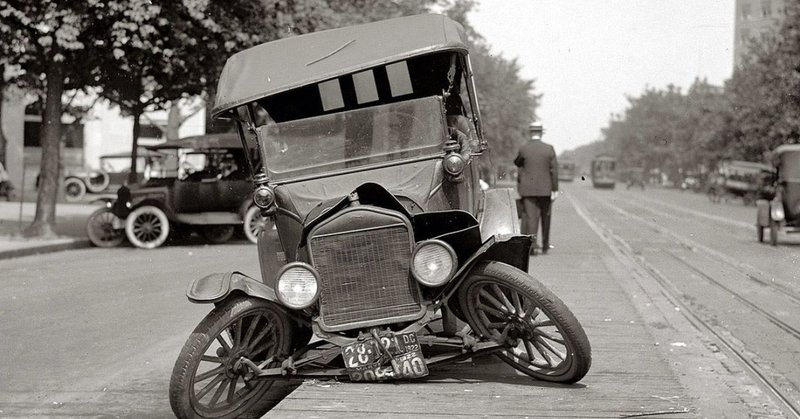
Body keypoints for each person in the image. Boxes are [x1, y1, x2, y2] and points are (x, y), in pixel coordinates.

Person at [514, 122, 559, 254]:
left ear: (530, 133)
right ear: (541, 133)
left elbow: (517, 162)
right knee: (546, 217)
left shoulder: (524, 148)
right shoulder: (549, 148)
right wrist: (555, 189)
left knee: (531, 217)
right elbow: (554, 171)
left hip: (528, 190)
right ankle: (545, 245)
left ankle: (532, 247)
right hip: (546, 190)